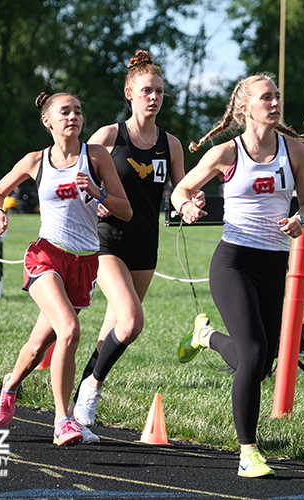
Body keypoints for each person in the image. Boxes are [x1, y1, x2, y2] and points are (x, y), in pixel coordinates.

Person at [171, 73, 304, 478]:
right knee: (252, 354)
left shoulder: (295, 151)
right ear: (244, 108)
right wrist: (187, 207)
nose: (275, 103)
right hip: (233, 262)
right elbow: (180, 190)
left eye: (277, 96)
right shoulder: (225, 153)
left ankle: (206, 337)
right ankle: (248, 452)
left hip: (274, 264)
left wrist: (300, 220)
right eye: (266, 97)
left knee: (261, 362)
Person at [0, 92, 132, 446]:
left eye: (78, 112)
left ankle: (10, 384)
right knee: (69, 329)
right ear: (47, 121)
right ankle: (62, 420)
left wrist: (98, 192)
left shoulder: (95, 156)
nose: (73, 117)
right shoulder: (35, 160)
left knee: (39, 344)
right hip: (47, 256)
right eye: (65, 112)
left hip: (84, 263)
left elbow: (125, 210)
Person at [71, 49, 204, 427]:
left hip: (146, 245)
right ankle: (92, 389)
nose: (154, 97)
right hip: (107, 241)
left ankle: (79, 405)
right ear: (129, 93)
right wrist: (94, 200)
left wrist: (188, 204)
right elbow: (75, 180)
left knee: (114, 331)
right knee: (131, 322)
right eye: (147, 90)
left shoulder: (170, 143)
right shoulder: (109, 136)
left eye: (159, 91)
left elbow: (179, 190)